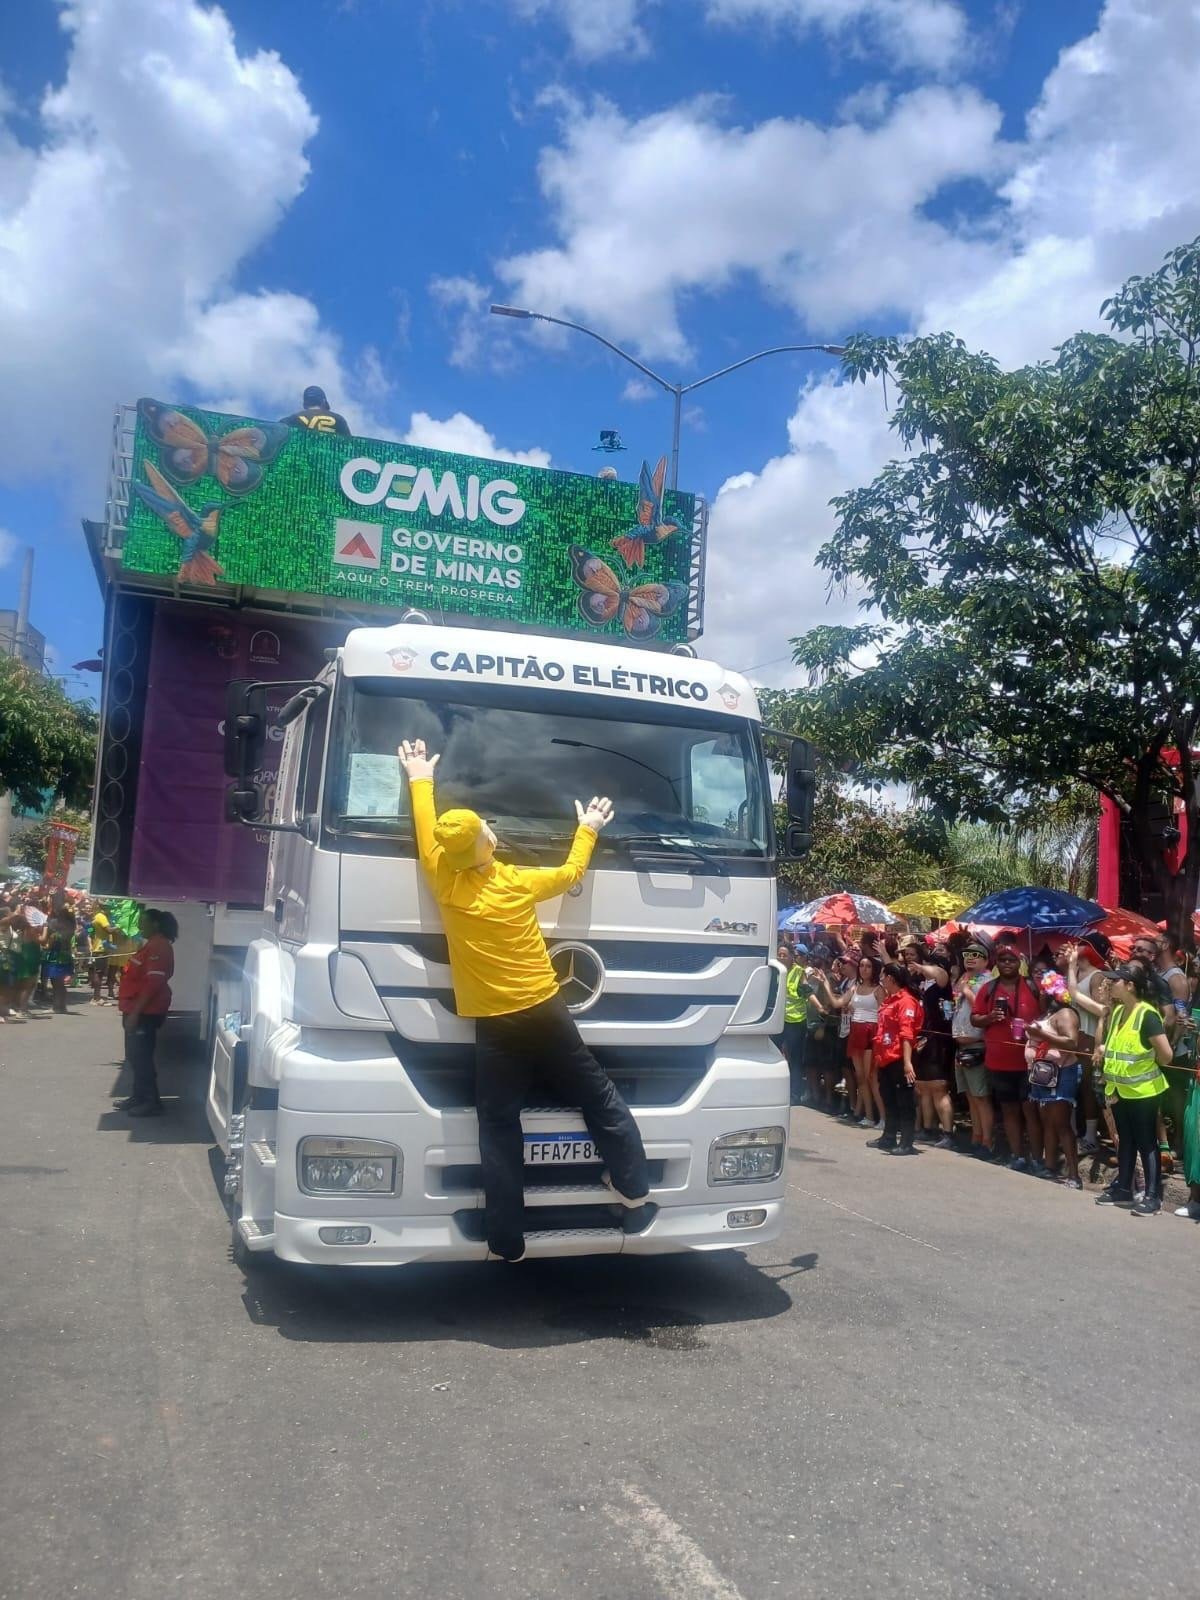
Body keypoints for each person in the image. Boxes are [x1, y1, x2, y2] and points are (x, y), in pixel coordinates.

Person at [397, 737, 649, 1263]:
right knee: (595, 1092)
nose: (492, 832)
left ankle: (507, 1239)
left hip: (493, 1024)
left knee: (498, 1123)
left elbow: (428, 829)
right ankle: (631, 1181)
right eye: (488, 831)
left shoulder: (443, 878)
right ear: (486, 846)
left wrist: (420, 778)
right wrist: (587, 829)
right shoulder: (514, 883)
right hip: (544, 1009)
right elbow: (570, 873)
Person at [1094, 963, 1173, 1216]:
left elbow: (1166, 1055)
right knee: (1126, 1140)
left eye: (1116, 980)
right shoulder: (1118, 1012)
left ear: (1129, 985)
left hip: (1144, 1092)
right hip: (1120, 1089)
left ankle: (1152, 1197)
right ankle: (1124, 1190)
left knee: (1146, 1142)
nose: (1110, 984)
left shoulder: (1147, 1015)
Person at [972, 944, 1044, 1171]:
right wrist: (990, 1017)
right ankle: (1017, 1155)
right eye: (1002, 960)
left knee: (1030, 1111)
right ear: (997, 963)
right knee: (1009, 1110)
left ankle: (1037, 1158)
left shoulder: (1032, 986)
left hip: (1029, 1061)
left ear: (1019, 962)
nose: (1006, 964)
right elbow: (975, 1019)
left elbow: (1045, 1016)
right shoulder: (989, 988)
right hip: (999, 1060)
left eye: (1011, 960)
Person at [117, 908, 178, 1117]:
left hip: (145, 1012)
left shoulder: (158, 947)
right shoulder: (151, 945)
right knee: (134, 1055)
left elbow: (154, 983)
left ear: (156, 925)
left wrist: (135, 1013)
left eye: (144, 922)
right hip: (137, 1009)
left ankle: (151, 1101)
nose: (140, 926)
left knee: (141, 1056)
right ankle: (139, 1096)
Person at [1025, 972, 1083, 1188]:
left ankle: (1074, 1176)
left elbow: (1071, 1043)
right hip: (1042, 1074)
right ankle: (1049, 1167)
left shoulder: (1066, 1014)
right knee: (1048, 1122)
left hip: (1061, 1073)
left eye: (1044, 991)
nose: (1040, 994)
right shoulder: (1047, 1014)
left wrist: (1040, 1034)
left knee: (1061, 1124)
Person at [868, 962, 923, 1155]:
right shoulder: (889, 1000)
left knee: (905, 1101)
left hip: (900, 1057)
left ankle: (906, 1142)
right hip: (885, 1057)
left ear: (891, 978)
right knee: (889, 1098)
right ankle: (889, 1136)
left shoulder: (906, 1001)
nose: (881, 980)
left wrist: (907, 1063)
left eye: (883, 976)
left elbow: (907, 1034)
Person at [1059, 939, 1108, 1153]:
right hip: (1073, 1036)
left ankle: (1090, 1137)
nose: (1072, 948)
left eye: (1078, 945)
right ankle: (1070, 1132)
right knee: (1071, 1085)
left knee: (1088, 1087)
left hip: (1089, 1037)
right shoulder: (1074, 973)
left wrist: (1099, 1043)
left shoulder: (1097, 976)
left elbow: (1104, 1013)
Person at [911, 945, 956, 1148]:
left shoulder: (942, 984)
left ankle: (947, 1132)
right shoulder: (921, 985)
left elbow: (938, 973)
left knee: (938, 1087)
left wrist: (922, 966)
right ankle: (928, 1129)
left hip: (939, 1038)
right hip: (922, 1038)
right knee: (923, 1087)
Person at [952, 942, 994, 1158]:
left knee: (981, 1096)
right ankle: (976, 1137)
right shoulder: (963, 978)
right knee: (970, 1095)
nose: (970, 958)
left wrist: (967, 991)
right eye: (967, 954)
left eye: (976, 955)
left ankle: (987, 1142)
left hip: (977, 1045)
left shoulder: (987, 981)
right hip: (960, 1045)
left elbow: (983, 1008)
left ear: (986, 960)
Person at [777, 944, 810, 1105]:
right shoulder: (775, 970)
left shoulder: (799, 972)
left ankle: (795, 1093)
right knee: (776, 1055)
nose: (781, 958)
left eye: (784, 955)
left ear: (791, 957)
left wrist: (819, 1007)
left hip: (796, 1021)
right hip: (778, 1019)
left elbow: (807, 993)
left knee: (795, 1059)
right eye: (779, 955)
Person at [42, 899, 76, 1014]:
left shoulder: (53, 923)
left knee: (56, 983)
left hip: (56, 955)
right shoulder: (71, 923)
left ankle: (56, 1007)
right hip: (66, 955)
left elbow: (48, 942)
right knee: (61, 983)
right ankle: (62, 1006)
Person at [279, 385, 351, 437]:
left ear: (305, 404)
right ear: (323, 402)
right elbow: (350, 446)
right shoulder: (339, 419)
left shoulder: (290, 420)